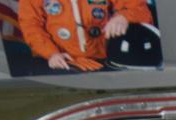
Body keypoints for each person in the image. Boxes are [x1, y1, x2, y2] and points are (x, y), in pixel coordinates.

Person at [18, 0, 153, 71]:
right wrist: (51, 53)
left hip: (107, 59)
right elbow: (31, 26)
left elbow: (140, 9)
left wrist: (124, 17)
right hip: (61, 61)